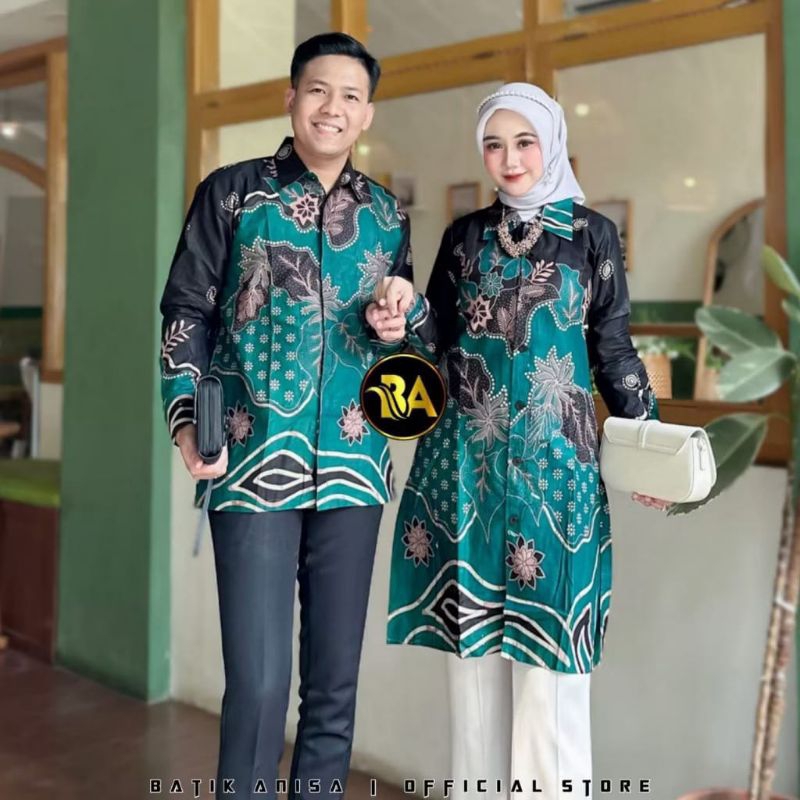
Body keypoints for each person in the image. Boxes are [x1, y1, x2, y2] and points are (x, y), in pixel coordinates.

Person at [367, 83, 669, 800]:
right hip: (464, 469)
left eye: (524, 142)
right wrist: (402, 315)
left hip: (556, 476)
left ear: (552, 143)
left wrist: (650, 444)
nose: (509, 159)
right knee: (470, 678)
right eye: (494, 144)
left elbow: (612, 349)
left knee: (551, 682)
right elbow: (437, 340)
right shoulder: (464, 236)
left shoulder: (591, 235)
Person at [159, 33, 414, 800]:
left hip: (355, 467)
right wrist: (185, 420)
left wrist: (401, 319)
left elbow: (401, 337)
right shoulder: (232, 193)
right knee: (260, 685)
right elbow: (186, 312)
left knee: (333, 689)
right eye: (318, 90)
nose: (332, 108)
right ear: (291, 99)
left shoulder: (387, 214)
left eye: (350, 96)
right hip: (250, 461)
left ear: (367, 114)